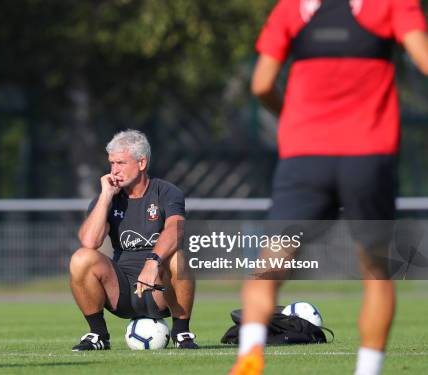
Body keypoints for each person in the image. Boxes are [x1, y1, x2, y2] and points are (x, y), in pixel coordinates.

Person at [229, 1, 428, 374]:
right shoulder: (392, 4)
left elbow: (260, 84)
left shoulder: (292, 9)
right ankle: (367, 370)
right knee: (376, 273)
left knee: (272, 258)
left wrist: (290, 116)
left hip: (304, 156)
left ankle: (251, 352)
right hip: (368, 155)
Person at [69, 129, 199, 350]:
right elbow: (90, 242)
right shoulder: (108, 197)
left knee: (178, 258)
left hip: (160, 290)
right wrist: (105, 197)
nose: (114, 170)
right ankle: (98, 335)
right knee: (81, 258)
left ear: (141, 163)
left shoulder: (166, 192)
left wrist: (152, 262)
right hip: (121, 292)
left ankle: (182, 333)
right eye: (111, 163)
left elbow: (175, 230)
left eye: (120, 163)